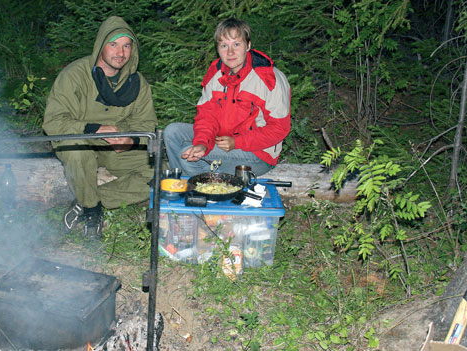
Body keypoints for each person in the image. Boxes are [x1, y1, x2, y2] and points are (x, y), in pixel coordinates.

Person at [43, 16, 157, 238]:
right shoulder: (74, 75)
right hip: (79, 138)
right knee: (77, 150)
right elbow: (54, 121)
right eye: (113, 44)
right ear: (100, 45)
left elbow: (146, 124)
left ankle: (90, 198)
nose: (120, 53)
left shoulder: (137, 82)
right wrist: (92, 128)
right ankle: (91, 211)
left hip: (114, 146)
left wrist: (131, 141)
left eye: (126, 45)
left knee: (157, 177)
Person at [164, 18, 291, 177]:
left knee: (188, 159)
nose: (230, 52)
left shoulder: (269, 78)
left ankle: (205, 189)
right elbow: (206, 117)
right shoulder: (215, 75)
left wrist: (237, 142)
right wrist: (203, 143)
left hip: (257, 153)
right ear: (217, 48)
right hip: (223, 140)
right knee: (172, 132)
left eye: (236, 44)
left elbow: (280, 129)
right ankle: (182, 183)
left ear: (248, 46)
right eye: (224, 46)